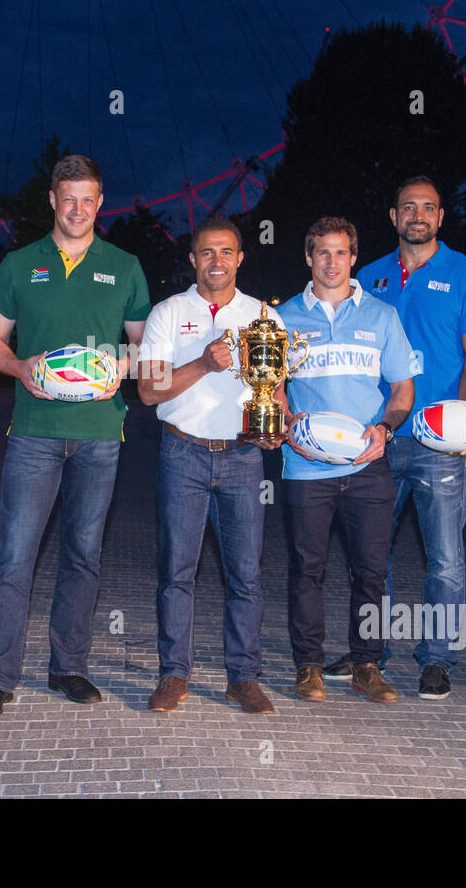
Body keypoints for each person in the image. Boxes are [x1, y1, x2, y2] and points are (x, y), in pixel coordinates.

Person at [0, 154, 150, 720]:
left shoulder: (124, 265)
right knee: (14, 556)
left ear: (101, 203)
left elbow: (142, 348)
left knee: (83, 555)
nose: (78, 209)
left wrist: (117, 368)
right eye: (68, 198)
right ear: (53, 200)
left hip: (100, 433)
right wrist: (23, 370)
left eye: (89, 199)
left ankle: (68, 666)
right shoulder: (20, 265)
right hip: (34, 432)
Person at [348, 176, 466, 700]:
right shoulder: (368, 276)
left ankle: (436, 658)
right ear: (393, 216)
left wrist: (464, 420)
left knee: (446, 557)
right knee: (372, 553)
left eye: (428, 208)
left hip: (438, 442)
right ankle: (373, 650)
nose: (418, 215)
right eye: (407, 206)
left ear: (440, 217)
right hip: (381, 437)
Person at [137, 218, 282, 714]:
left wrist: (278, 423)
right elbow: (148, 390)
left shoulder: (265, 316)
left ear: (240, 257)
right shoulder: (167, 313)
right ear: (193, 259)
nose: (216, 261)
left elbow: (276, 391)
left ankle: (242, 676)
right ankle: (174, 673)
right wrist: (202, 364)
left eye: (226, 252)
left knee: (245, 574)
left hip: (243, 457)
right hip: (182, 453)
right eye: (206, 253)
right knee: (177, 571)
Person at [279, 217, 416, 705]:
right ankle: (308, 666)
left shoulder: (382, 316)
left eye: (341, 253)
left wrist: (386, 427)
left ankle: (367, 664)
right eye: (322, 253)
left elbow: (402, 389)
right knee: (306, 568)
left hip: (366, 466)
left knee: (371, 572)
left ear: (353, 257)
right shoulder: (283, 319)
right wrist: (286, 420)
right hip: (305, 468)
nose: (331, 262)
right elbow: (271, 387)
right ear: (308, 258)